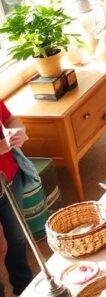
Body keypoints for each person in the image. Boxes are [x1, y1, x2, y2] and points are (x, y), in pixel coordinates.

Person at [0, 101, 34, 297]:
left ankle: (25, 287)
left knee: (18, 238)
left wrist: (18, 130)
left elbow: (10, 119)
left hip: (10, 179)